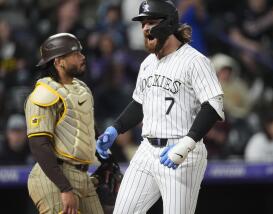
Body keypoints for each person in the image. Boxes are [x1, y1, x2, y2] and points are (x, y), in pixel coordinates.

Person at [96, 0, 225, 213]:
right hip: (146, 150)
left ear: (169, 24)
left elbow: (213, 105)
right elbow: (139, 103)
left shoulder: (195, 61)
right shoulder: (147, 63)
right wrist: (116, 128)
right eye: (143, 23)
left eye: (151, 22)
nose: (145, 28)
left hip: (182, 150)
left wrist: (187, 144)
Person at [24, 33, 104, 214]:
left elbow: (88, 130)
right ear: (58, 61)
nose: (83, 57)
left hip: (82, 175)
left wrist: (107, 163)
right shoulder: (44, 94)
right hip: (54, 177)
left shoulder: (80, 89)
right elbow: (39, 145)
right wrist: (64, 187)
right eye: (76, 54)